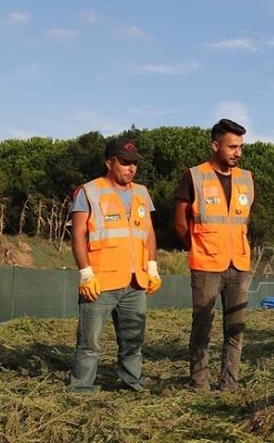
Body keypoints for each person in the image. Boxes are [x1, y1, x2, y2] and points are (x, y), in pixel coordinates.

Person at [69, 138, 161, 393]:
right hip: (100, 282)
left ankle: (133, 384)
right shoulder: (89, 191)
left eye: (134, 164)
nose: (131, 168)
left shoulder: (142, 193)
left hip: (135, 282)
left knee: (133, 341)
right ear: (109, 163)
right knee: (89, 342)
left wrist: (152, 266)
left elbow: (149, 233)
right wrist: (86, 274)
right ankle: (81, 389)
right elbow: (77, 236)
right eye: (125, 163)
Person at [174, 118, 254, 391]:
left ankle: (229, 384)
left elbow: (242, 221)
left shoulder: (246, 178)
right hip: (206, 265)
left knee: (236, 329)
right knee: (202, 328)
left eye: (241, 147)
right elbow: (180, 221)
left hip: (239, 265)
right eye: (232, 147)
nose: (237, 153)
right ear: (215, 145)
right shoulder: (194, 176)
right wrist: (196, 246)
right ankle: (199, 384)